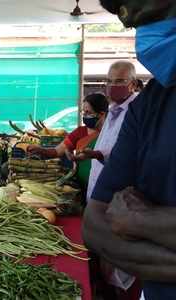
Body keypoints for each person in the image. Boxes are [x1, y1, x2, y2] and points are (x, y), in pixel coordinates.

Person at [83, 2, 176, 300]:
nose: (146, 36)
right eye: (138, 27)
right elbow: (95, 225)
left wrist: (138, 220)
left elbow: (115, 220)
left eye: (157, 19)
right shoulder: (152, 103)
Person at [82, 61, 138, 200]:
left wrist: (97, 154)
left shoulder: (137, 112)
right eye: (109, 81)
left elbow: (129, 154)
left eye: (119, 81)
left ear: (134, 84)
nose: (113, 86)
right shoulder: (112, 110)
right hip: (99, 188)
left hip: (119, 193)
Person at [27, 93, 108, 189]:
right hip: (82, 186)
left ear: (101, 114)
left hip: (104, 184)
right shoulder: (79, 132)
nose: (85, 116)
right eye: (83, 112)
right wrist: (40, 150)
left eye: (88, 113)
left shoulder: (112, 133)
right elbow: (56, 151)